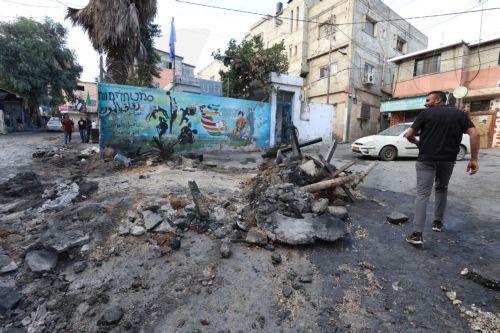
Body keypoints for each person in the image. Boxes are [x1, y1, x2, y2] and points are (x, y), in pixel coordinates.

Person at [404, 91, 480, 245]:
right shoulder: (460, 115)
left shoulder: (426, 114)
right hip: (447, 161)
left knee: (422, 195)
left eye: (428, 100)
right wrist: (473, 159)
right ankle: (438, 223)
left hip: (426, 159)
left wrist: (418, 143)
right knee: (441, 189)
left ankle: (417, 234)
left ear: (438, 100)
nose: (425, 103)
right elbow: (475, 134)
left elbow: (409, 135)